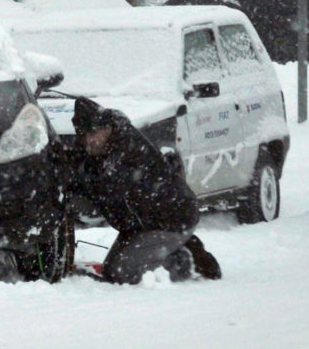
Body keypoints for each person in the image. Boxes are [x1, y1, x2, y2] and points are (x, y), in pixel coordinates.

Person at [68, 97, 221, 284]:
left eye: (93, 133)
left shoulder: (127, 149)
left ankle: (183, 260)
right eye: (83, 135)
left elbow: (105, 188)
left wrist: (74, 192)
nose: (88, 140)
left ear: (107, 128)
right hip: (140, 225)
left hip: (170, 220)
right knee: (111, 270)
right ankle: (178, 245)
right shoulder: (99, 147)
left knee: (122, 273)